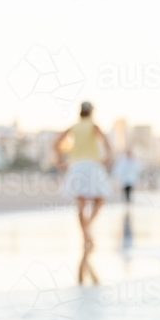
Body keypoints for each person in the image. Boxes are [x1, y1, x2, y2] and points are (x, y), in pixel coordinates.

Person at [53, 102, 113, 248]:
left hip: (76, 166)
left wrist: (59, 160)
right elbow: (106, 144)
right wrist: (107, 158)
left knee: (81, 202)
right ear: (91, 112)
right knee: (99, 199)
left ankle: (85, 233)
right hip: (92, 165)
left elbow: (56, 143)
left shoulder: (74, 127)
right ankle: (88, 228)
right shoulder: (94, 125)